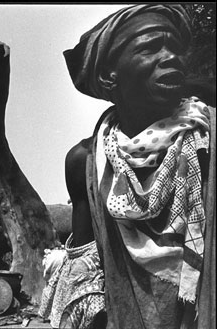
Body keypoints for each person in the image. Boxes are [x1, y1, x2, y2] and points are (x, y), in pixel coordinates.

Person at [42, 4, 215, 329]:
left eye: (176, 49)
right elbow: (87, 273)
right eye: (151, 48)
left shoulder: (206, 140)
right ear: (110, 78)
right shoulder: (86, 164)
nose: (172, 58)